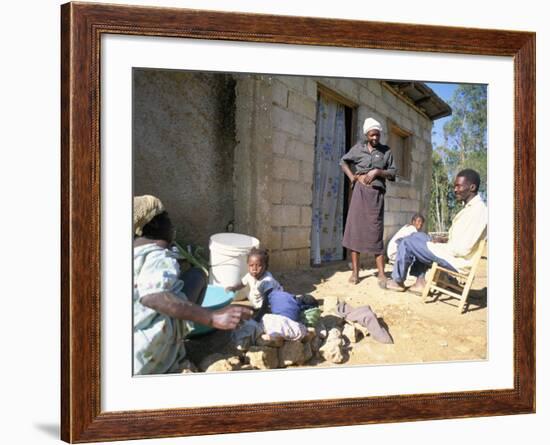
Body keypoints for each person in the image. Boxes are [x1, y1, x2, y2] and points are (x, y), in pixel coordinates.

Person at [133, 195, 253, 375]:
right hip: (147, 355)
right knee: (197, 276)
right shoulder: (157, 256)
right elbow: (153, 296)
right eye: (166, 216)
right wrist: (211, 317)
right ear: (154, 224)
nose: (171, 222)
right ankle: (173, 344)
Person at [386, 169, 487, 294]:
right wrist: (442, 240)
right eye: (455, 186)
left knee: (408, 242)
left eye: (458, 186)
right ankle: (420, 283)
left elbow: (463, 249)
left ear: (472, 187)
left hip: (456, 261)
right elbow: (461, 238)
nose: (455, 190)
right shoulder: (471, 208)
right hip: (451, 253)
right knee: (418, 236)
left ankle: (397, 281)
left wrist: (437, 246)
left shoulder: (478, 211)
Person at [340, 117, 397, 286]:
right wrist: (352, 178)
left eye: (377, 135)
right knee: (355, 230)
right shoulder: (358, 149)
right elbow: (343, 161)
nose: (375, 138)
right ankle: (355, 273)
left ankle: (381, 274)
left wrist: (378, 171)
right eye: (372, 135)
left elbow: (393, 172)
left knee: (375, 231)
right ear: (367, 134)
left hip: (376, 195)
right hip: (359, 193)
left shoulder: (386, 151)